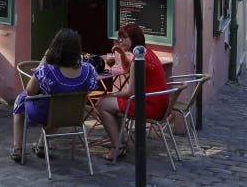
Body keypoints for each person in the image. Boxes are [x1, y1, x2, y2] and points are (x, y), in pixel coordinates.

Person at [10, 28, 98, 162]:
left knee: (21, 99)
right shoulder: (89, 70)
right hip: (72, 115)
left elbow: (30, 91)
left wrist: (45, 58)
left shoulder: (47, 70)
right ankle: (41, 145)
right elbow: (91, 89)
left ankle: (17, 147)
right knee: (61, 104)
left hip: (43, 113)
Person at [98, 23, 169, 161]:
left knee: (103, 104)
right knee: (111, 104)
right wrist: (122, 53)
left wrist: (111, 94)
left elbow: (130, 92)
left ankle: (117, 146)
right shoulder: (145, 52)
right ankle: (121, 142)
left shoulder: (139, 60)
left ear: (134, 39)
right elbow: (128, 70)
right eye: (119, 38)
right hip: (158, 102)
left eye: (124, 38)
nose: (120, 41)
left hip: (149, 106)